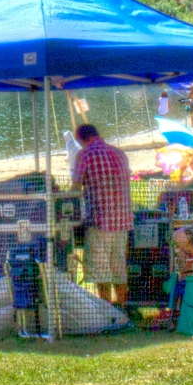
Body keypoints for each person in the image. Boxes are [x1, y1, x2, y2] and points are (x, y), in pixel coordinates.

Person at [73, 123, 131, 304]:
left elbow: (75, 189)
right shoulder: (119, 153)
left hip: (100, 221)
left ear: (82, 138)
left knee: (101, 272)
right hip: (123, 221)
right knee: (118, 269)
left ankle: (106, 312)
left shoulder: (85, 154)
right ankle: (123, 308)